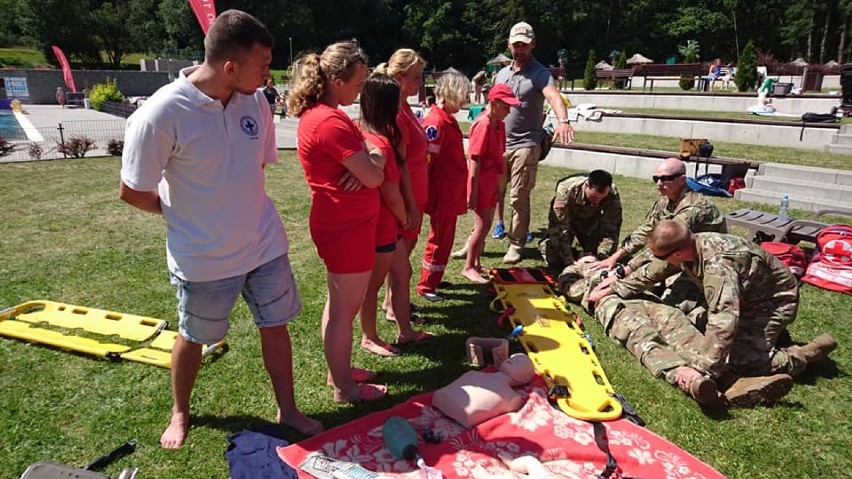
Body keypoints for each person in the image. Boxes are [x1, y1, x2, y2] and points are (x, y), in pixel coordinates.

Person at [118, 10, 322, 449]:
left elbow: (256, 167)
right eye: (263, 64)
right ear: (230, 67)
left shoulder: (256, 102)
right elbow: (132, 191)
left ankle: (287, 409)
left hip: (263, 245)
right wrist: (183, 215)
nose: (271, 74)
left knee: (276, 325)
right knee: (195, 337)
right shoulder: (160, 114)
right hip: (204, 259)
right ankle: (180, 411)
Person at [588, 220, 838, 402]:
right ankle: (766, 341)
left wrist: (702, 369)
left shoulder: (718, 266)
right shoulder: (689, 247)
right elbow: (654, 272)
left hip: (771, 304)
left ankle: (802, 356)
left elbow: (724, 320)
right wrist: (615, 289)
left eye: (661, 256)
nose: (659, 260)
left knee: (738, 360)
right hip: (747, 296)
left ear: (676, 253)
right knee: (696, 328)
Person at [288, 41, 387, 402]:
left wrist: (368, 160)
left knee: (339, 306)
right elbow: (375, 174)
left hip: (343, 222)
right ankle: (345, 388)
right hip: (347, 227)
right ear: (336, 79)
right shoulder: (329, 120)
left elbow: (368, 151)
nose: (361, 90)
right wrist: (373, 162)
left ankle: (339, 373)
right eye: (358, 84)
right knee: (345, 311)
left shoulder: (325, 114)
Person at [356, 73, 430, 356]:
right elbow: (390, 191)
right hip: (381, 224)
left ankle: (405, 331)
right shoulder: (378, 141)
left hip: (389, 224)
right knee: (373, 285)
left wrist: (407, 208)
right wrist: (404, 215)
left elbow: (400, 176)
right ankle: (369, 337)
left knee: (403, 273)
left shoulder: (380, 134)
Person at [492, 21, 575, 264]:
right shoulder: (502, 73)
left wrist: (563, 120)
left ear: (533, 45)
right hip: (500, 144)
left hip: (526, 145)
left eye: (524, 46)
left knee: (518, 197)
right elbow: (494, 104)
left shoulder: (540, 73)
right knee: (491, 193)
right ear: (509, 44)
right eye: (516, 45)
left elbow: (553, 96)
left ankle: (516, 244)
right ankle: (477, 239)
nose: (519, 50)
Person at [374, 49, 431, 330]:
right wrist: (409, 204)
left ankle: (392, 302)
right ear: (399, 78)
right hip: (409, 196)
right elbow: (402, 164)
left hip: (416, 194)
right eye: (416, 77)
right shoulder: (396, 112)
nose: (421, 82)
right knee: (400, 261)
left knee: (404, 254)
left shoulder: (405, 107)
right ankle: (394, 306)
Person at [593, 157, 726, 272]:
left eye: (665, 179)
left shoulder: (694, 208)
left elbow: (665, 244)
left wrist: (626, 270)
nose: (659, 184)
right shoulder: (665, 200)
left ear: (682, 180)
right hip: (678, 255)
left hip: (706, 263)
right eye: (655, 178)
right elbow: (647, 230)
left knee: (671, 293)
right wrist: (615, 257)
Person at [452, 84, 520, 283]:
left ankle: (476, 262)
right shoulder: (483, 124)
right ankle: (469, 266)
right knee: (482, 226)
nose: (509, 111)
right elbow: (474, 160)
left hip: (491, 181)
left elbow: (499, 154)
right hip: (481, 182)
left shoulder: (499, 124)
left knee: (485, 224)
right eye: (506, 107)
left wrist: (499, 185)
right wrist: (471, 192)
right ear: (493, 103)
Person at [416, 72, 471, 301]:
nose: (466, 101)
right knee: (439, 239)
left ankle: (435, 278)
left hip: (450, 192)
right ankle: (426, 284)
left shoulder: (447, 118)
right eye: (463, 96)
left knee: (445, 238)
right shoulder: (437, 122)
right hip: (442, 193)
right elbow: (428, 161)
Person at [538, 170, 622, 271]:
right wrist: (570, 261)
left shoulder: (611, 192)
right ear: (586, 186)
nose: (597, 202)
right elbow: (559, 229)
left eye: (601, 199)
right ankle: (547, 244)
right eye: (594, 197)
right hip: (566, 222)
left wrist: (601, 257)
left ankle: (583, 252)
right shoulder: (566, 190)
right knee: (554, 255)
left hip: (589, 223)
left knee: (599, 255)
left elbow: (612, 227)